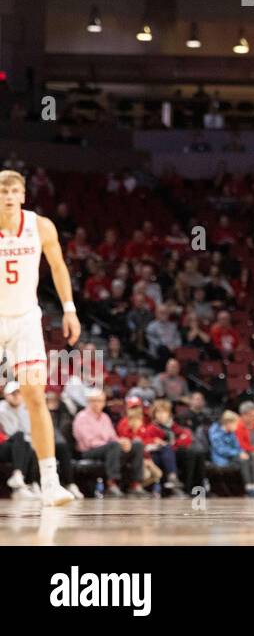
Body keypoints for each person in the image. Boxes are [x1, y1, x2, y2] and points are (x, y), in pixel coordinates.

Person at [0, 169, 80, 505]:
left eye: (13, 191)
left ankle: (50, 483)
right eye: (2, 191)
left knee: (35, 394)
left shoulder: (40, 226)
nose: (8, 196)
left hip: (26, 319)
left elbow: (59, 266)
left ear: (23, 195)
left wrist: (70, 309)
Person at [73, 390, 147, 497]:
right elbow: (89, 442)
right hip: (89, 451)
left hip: (109, 449)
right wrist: (113, 444)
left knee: (136, 445)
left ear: (104, 403)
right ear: (88, 402)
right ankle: (111, 484)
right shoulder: (82, 417)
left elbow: (112, 437)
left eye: (100, 401)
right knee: (113, 446)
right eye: (94, 401)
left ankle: (135, 484)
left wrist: (122, 442)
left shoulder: (105, 417)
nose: (97, 403)